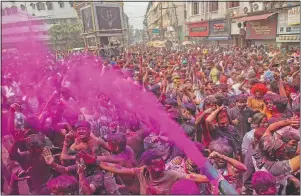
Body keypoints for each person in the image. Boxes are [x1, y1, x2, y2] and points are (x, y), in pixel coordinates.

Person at [78, 149, 209, 195]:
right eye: (155, 165)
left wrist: (213, 178)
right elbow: (119, 169)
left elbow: (190, 176)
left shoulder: (171, 174)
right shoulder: (142, 172)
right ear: (147, 165)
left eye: (161, 164)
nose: (159, 168)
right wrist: (96, 162)